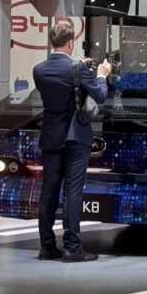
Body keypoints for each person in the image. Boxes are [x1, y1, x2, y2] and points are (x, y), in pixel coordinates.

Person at [33, 22, 110, 263]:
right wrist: (101, 75)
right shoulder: (77, 69)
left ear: (52, 43)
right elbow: (100, 95)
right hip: (76, 137)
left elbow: (61, 85)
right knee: (72, 191)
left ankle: (47, 246)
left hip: (50, 136)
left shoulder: (39, 70)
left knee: (48, 191)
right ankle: (72, 247)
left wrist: (80, 68)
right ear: (71, 43)